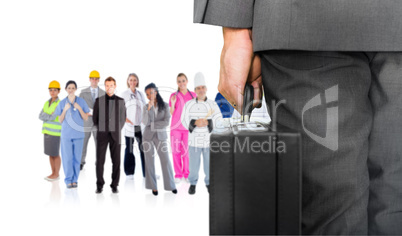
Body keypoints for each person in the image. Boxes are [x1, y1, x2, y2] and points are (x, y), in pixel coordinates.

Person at [194, 1, 402, 234]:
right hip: (307, 27)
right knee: (338, 210)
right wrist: (235, 32)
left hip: (303, 22)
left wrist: (235, 29)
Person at [181, 72, 223, 195]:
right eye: (198, 88)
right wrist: (194, 122)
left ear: (206, 89)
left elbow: (219, 119)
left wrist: (209, 121)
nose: (201, 90)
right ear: (195, 90)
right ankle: (193, 184)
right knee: (193, 166)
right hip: (194, 140)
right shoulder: (189, 105)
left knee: (209, 165)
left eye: (203, 87)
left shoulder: (212, 104)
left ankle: (209, 183)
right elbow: (183, 120)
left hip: (208, 140)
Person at [142, 83, 177, 196]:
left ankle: (170, 185)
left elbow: (166, 122)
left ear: (156, 92)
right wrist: (148, 109)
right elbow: (145, 122)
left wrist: (152, 125)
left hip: (161, 136)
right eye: (147, 94)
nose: (149, 95)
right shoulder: (145, 107)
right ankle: (153, 186)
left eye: (151, 92)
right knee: (149, 162)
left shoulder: (165, 105)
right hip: (147, 137)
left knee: (165, 160)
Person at [93, 77, 126, 194]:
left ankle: (115, 185)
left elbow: (122, 119)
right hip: (102, 134)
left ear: (115, 86)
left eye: (111, 85)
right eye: (107, 85)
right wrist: (103, 128)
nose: (109, 87)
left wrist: (116, 128)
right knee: (100, 161)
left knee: (116, 161)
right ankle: (99, 185)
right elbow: (95, 119)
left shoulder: (121, 101)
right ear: (105, 86)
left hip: (116, 135)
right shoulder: (98, 100)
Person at [55, 80, 90, 189]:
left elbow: (85, 117)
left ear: (75, 89)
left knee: (77, 158)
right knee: (67, 158)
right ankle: (68, 180)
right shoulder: (62, 103)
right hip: (66, 135)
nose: (71, 90)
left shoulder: (81, 102)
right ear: (66, 89)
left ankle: (75, 180)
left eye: (73, 88)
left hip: (79, 135)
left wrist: (78, 107)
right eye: (69, 88)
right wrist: (65, 110)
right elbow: (60, 120)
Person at [169, 73, 196, 183]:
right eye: (179, 81)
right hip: (175, 128)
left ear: (187, 81)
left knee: (186, 153)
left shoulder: (193, 95)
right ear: (177, 83)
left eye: (183, 81)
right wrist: (173, 102)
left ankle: (186, 174)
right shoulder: (173, 96)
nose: (181, 83)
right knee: (176, 151)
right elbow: (171, 112)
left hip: (187, 128)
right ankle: (178, 175)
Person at [121, 73, 147, 178]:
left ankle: (146, 173)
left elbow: (145, 107)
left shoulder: (140, 94)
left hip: (139, 125)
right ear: (128, 81)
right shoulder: (124, 94)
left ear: (137, 81)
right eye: (131, 80)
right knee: (129, 148)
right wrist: (125, 119)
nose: (133, 82)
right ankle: (129, 172)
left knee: (143, 148)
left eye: (134, 80)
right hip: (129, 125)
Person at [79, 70, 105, 170]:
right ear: (89, 79)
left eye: (96, 79)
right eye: (92, 78)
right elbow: (79, 107)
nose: (94, 80)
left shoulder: (103, 93)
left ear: (99, 80)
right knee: (83, 142)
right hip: (86, 122)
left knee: (99, 144)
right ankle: (81, 162)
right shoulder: (83, 92)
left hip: (98, 123)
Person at [39, 80, 62, 181]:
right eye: (51, 90)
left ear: (58, 91)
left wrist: (47, 116)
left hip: (55, 133)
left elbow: (53, 117)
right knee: (50, 153)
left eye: (55, 90)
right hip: (47, 132)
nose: (52, 92)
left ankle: (56, 174)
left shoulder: (60, 104)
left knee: (55, 154)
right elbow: (40, 116)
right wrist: (49, 115)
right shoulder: (46, 103)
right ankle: (53, 172)